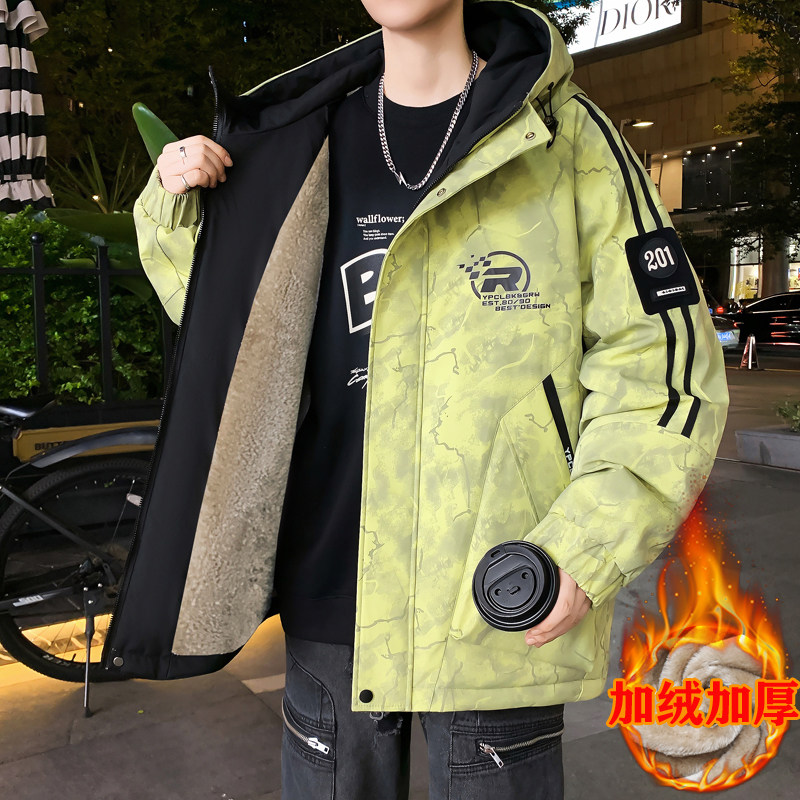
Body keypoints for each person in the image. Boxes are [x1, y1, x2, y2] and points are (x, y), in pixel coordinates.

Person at [102, 1, 729, 798]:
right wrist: (178, 205)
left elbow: (662, 363)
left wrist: (586, 541)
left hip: (500, 593)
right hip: (330, 589)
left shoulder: (564, 137)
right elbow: (233, 324)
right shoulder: (296, 138)